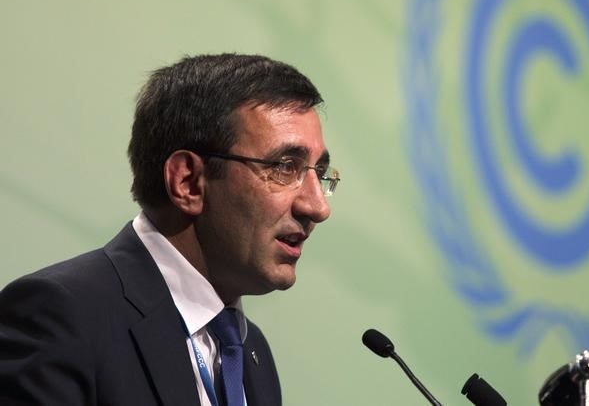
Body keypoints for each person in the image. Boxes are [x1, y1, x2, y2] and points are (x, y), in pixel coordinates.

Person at [0, 53, 340, 405]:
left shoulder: (252, 352)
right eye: (285, 167)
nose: (317, 207)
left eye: (321, 173)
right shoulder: (63, 319)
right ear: (188, 182)